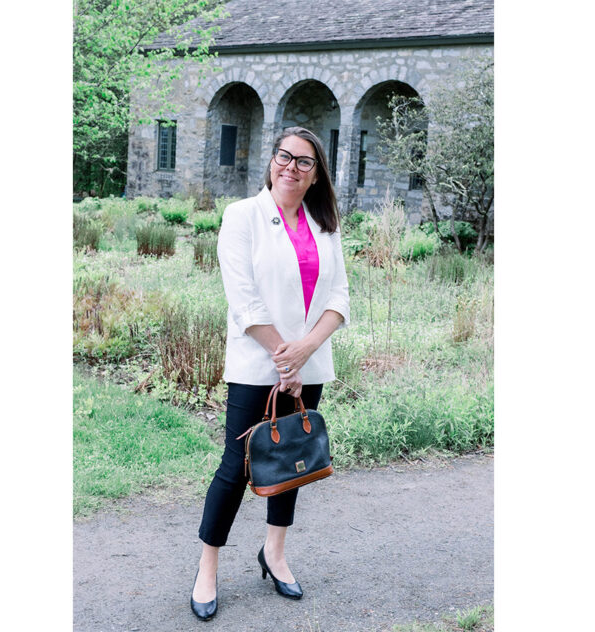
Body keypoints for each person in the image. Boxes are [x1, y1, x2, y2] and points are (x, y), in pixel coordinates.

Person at [190, 127, 351, 621]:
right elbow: (244, 299)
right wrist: (286, 358)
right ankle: (207, 567)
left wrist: (304, 352)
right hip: (258, 364)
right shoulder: (243, 216)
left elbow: (339, 298)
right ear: (272, 160)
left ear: (316, 174)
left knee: (292, 461)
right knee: (237, 465)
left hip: (308, 362)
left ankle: (274, 553)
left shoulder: (325, 224)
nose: (292, 167)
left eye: (305, 162)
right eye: (285, 156)